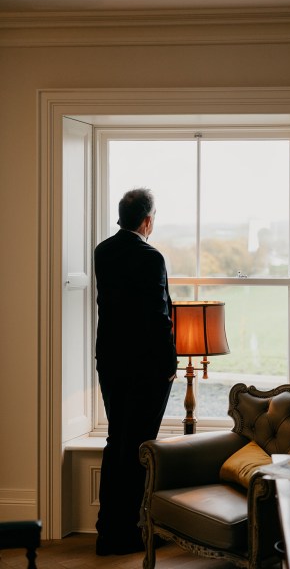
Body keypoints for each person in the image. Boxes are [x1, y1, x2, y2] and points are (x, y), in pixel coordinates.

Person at [94, 188, 177, 555]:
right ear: (147, 220)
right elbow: (158, 318)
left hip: (111, 362)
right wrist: (170, 364)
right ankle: (129, 532)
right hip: (146, 368)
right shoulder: (150, 257)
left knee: (117, 443)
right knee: (140, 448)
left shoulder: (103, 251)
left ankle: (107, 531)